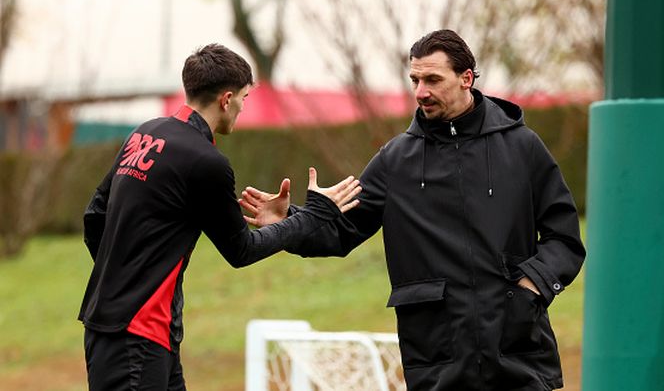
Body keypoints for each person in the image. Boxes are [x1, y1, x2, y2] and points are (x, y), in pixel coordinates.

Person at [240, 30, 586, 391]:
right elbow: (342, 231)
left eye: (433, 79)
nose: (421, 91)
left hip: (518, 356)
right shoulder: (395, 160)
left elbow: (563, 237)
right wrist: (288, 222)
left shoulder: (522, 147)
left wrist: (529, 289)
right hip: (438, 361)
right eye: (415, 80)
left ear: (466, 78)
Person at [79, 43, 361, 391]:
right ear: (226, 99)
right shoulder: (205, 161)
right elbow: (241, 250)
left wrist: (122, 280)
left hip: (126, 329)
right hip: (138, 335)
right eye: (244, 97)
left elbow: (95, 217)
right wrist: (314, 215)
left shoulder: (146, 133)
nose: (243, 107)